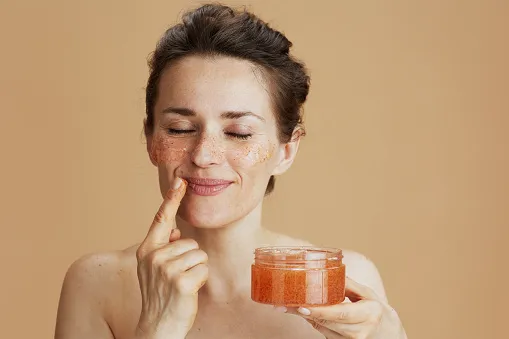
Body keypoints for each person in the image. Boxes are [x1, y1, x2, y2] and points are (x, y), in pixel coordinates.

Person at [54, 3, 407, 339]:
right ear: (150, 139)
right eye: (178, 128)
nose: (204, 156)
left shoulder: (342, 284)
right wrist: (157, 328)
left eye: (238, 134)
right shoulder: (97, 284)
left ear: (287, 150)